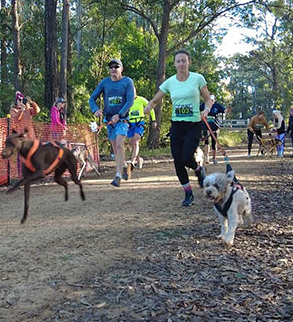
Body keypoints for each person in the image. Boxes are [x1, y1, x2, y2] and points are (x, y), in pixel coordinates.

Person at [144, 49, 212, 206]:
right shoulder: (170, 82)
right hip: (177, 126)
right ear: (174, 64)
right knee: (178, 161)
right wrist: (149, 105)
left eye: (184, 60)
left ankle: (197, 168)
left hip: (193, 125)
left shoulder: (197, 79)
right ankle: (188, 193)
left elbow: (208, 99)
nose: (181, 63)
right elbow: (155, 100)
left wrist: (206, 109)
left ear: (189, 62)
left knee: (186, 157)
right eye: (178, 61)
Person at [89, 58, 135, 187]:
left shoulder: (127, 82)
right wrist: (95, 110)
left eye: (116, 66)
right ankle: (125, 165)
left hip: (122, 120)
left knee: (120, 145)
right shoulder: (105, 83)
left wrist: (119, 114)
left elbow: (130, 101)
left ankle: (118, 176)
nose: (113, 69)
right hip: (109, 120)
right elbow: (92, 98)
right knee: (115, 148)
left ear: (121, 69)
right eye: (111, 67)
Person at [200, 95, 226, 164]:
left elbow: (224, 110)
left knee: (214, 142)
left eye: (212, 100)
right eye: (209, 100)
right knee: (206, 142)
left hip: (214, 126)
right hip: (205, 126)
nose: (211, 101)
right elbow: (197, 111)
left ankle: (214, 158)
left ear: (214, 100)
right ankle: (207, 157)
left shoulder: (217, 106)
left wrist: (227, 110)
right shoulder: (203, 105)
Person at [127, 94, 149, 171]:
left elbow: (151, 108)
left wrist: (154, 120)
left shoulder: (141, 100)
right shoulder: (127, 100)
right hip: (130, 124)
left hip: (139, 123)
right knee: (132, 142)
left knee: (136, 142)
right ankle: (139, 159)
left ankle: (132, 161)